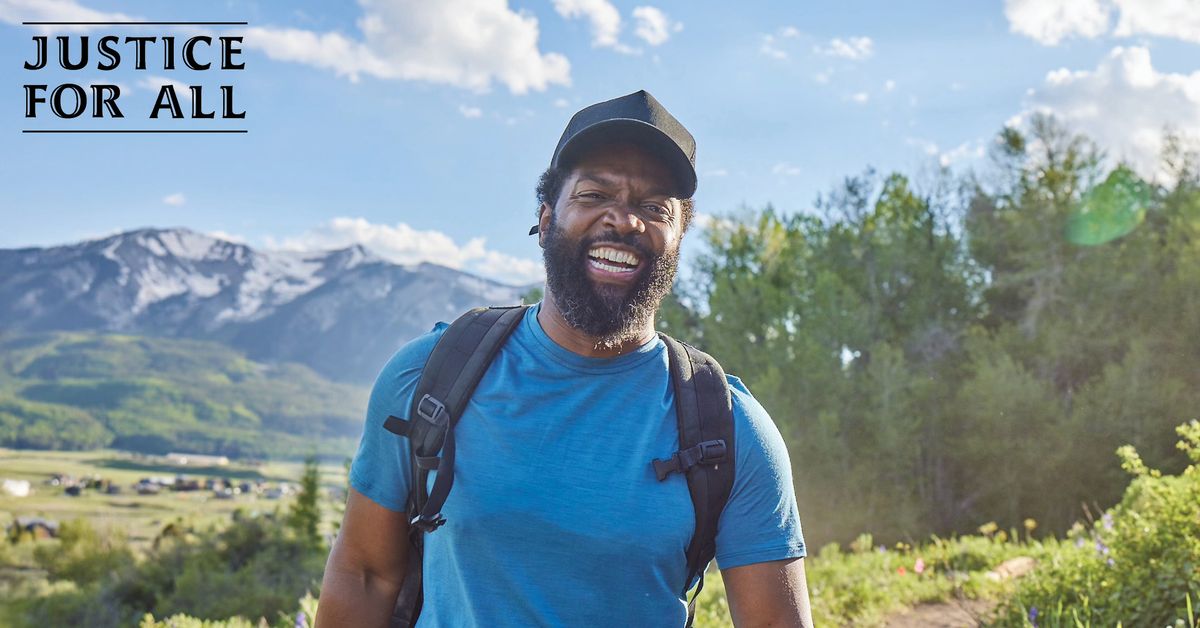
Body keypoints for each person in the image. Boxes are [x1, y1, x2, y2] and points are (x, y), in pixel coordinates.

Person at [315, 90, 813, 627]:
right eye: (595, 194)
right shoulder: (428, 378)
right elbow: (365, 573)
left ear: (677, 239)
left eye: (653, 207)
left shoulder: (730, 429)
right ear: (547, 218)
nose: (623, 221)